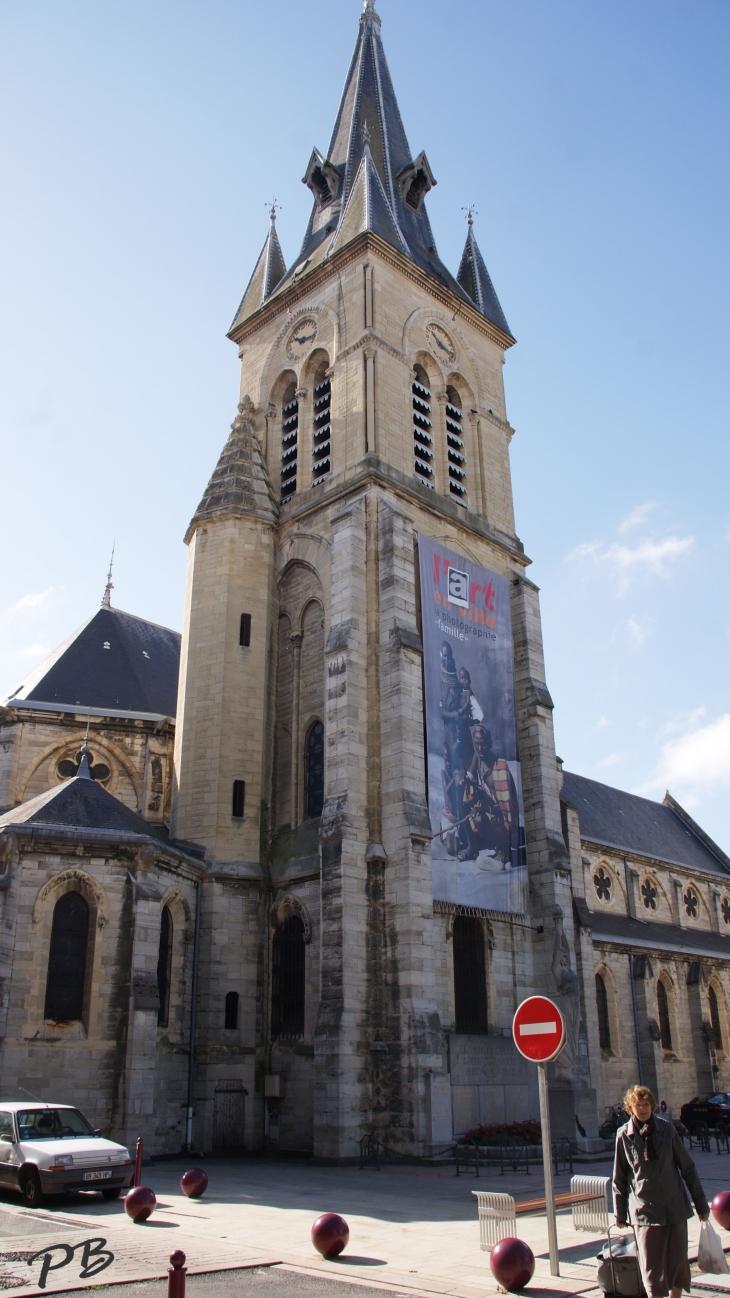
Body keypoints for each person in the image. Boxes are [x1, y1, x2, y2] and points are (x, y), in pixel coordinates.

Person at [613, 1084, 709, 1298]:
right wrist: (620, 1213)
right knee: (651, 1268)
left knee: (678, 1263)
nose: (643, 1109)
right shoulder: (624, 1136)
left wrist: (701, 1204)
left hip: (673, 1206)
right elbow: (619, 1179)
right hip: (645, 1211)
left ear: (652, 1106)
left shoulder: (666, 1130)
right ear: (630, 1108)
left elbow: (688, 1168)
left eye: (646, 1104)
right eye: (638, 1105)